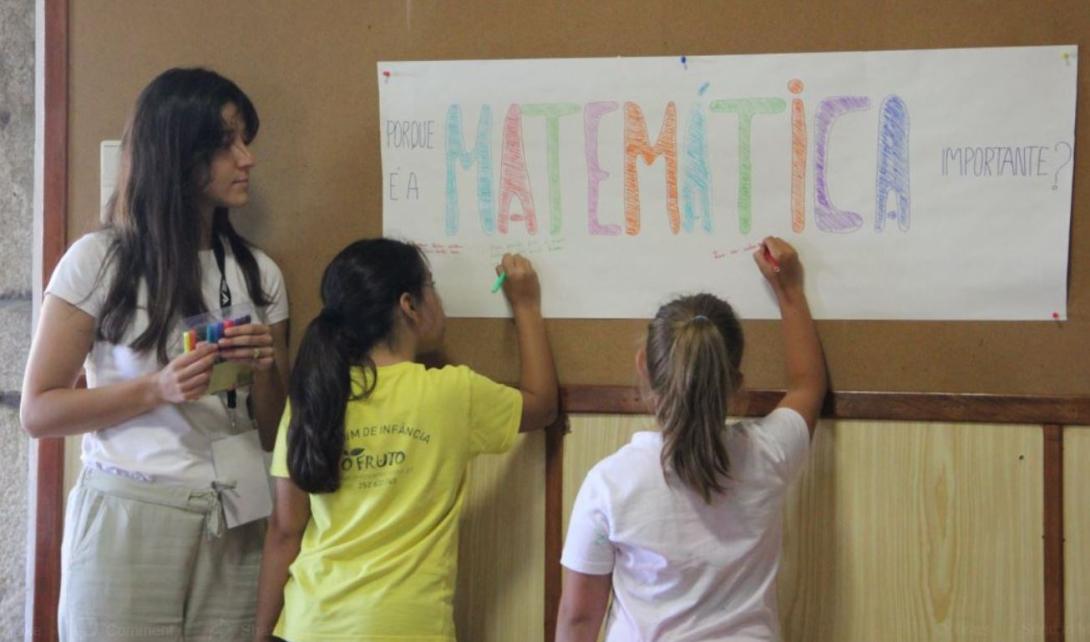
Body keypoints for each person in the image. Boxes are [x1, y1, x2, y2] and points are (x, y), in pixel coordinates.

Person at [20, 67, 290, 641]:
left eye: (246, 141)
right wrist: (157, 389)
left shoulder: (258, 273)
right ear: (177, 153)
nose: (247, 159)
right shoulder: (98, 260)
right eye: (227, 143)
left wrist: (266, 369)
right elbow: (38, 412)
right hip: (130, 512)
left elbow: (274, 431)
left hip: (239, 514)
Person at [253, 239, 558, 642]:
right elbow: (542, 405)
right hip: (407, 626)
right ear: (409, 305)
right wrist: (526, 306)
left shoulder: (312, 396)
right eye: (431, 286)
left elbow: (284, 529)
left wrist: (261, 634)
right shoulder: (452, 393)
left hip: (309, 622)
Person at [556, 237, 827, 642]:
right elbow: (808, 385)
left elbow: (579, 619)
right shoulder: (770, 454)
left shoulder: (610, 484)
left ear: (644, 368)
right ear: (734, 382)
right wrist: (789, 291)